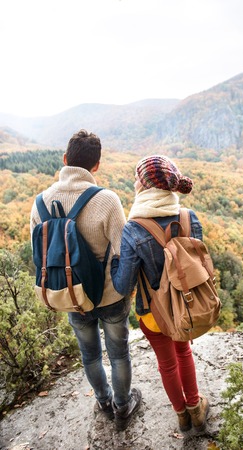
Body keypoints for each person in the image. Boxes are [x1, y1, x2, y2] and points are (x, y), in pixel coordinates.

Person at [30, 129, 142, 432]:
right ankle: (123, 407)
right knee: (119, 354)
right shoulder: (106, 200)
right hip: (109, 297)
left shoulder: (40, 203)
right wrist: (126, 290)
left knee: (89, 354)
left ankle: (103, 400)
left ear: (65, 159)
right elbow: (124, 252)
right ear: (97, 165)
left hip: (71, 296)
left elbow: (39, 257)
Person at [110, 155, 209, 433]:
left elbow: (123, 286)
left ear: (144, 186)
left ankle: (182, 416)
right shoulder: (189, 217)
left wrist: (115, 262)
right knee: (184, 352)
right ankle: (196, 409)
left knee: (166, 364)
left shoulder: (133, 228)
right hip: (186, 307)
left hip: (153, 314)